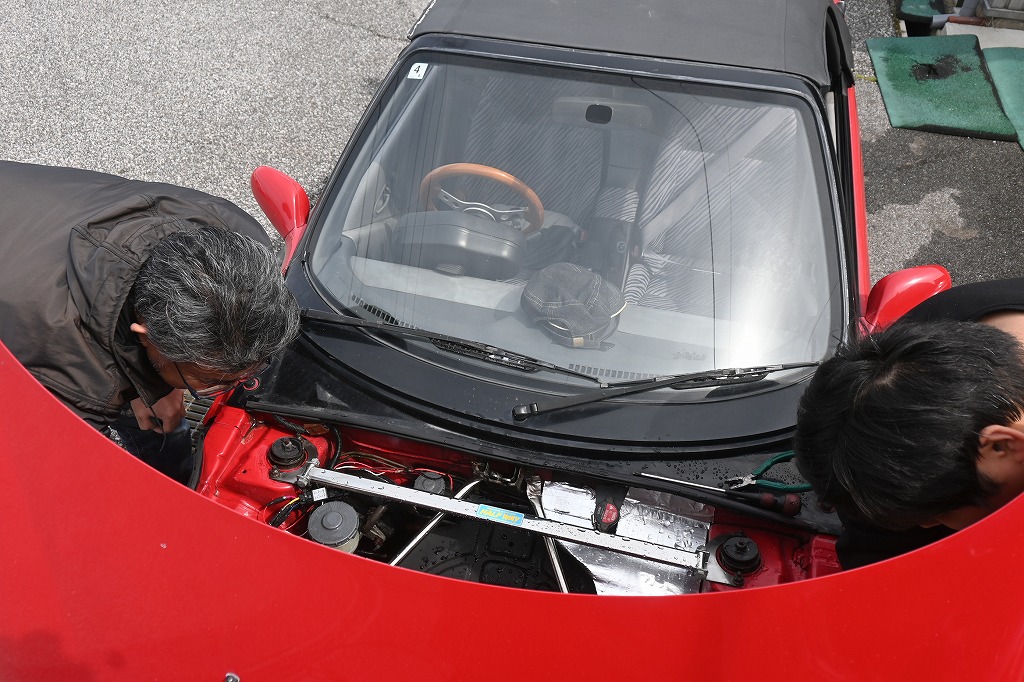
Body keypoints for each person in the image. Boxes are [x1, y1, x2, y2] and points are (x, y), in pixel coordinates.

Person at [0, 161, 301, 484]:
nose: (235, 386)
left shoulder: (235, 236)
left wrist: (161, 384)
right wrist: (151, 387)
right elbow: (54, 472)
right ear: (147, 336)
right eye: (212, 382)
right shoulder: (68, 373)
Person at [794, 278, 1024, 568]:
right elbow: (875, 552)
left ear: (1003, 446)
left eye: (938, 514)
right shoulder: (903, 368)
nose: (927, 525)